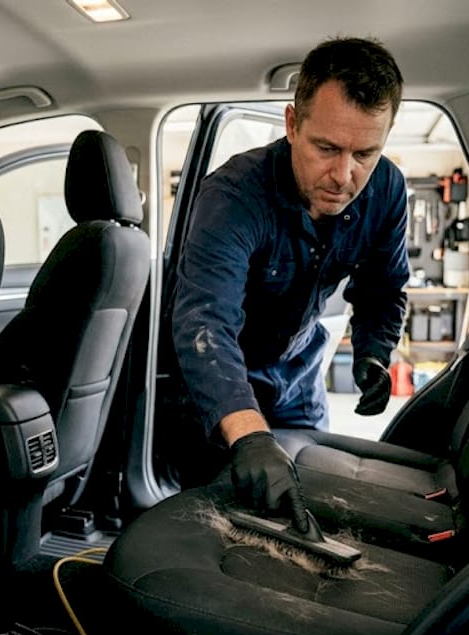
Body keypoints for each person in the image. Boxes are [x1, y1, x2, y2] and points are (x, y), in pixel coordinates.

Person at [170, 36, 410, 531]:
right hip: (227, 373)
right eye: (326, 148)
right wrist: (249, 434)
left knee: (305, 501)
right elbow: (205, 322)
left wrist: (373, 353)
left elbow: (383, 289)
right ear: (291, 124)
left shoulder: (386, 189)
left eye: (365, 152)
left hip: (299, 373)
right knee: (219, 517)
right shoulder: (233, 197)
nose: (344, 175)